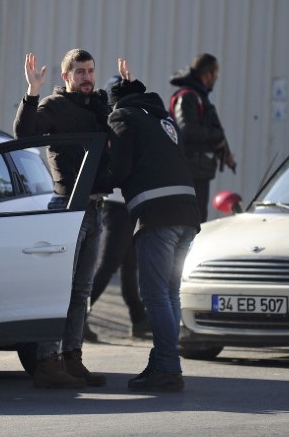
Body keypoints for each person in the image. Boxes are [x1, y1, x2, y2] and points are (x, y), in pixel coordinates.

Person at [13, 49, 113, 389]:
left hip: (98, 208)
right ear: (66, 76)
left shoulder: (100, 106)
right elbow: (24, 135)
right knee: (60, 285)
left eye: (90, 70)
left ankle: (73, 358)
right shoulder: (54, 107)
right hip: (67, 207)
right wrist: (32, 92)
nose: (87, 77)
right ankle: (47, 360)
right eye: (80, 72)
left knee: (82, 291)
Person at [107, 59, 201, 392]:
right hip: (188, 214)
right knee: (169, 293)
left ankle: (167, 367)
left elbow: (118, 168)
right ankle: (164, 360)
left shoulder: (122, 116)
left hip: (157, 215)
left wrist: (95, 180)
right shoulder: (162, 118)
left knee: (155, 295)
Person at [85, 75, 151, 343]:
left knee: (129, 263)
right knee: (109, 264)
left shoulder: (121, 121)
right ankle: (79, 316)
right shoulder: (116, 123)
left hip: (126, 204)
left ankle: (138, 319)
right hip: (116, 205)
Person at [169, 53, 236, 222]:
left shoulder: (199, 97)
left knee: (197, 219)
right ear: (207, 75)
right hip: (189, 171)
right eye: (215, 73)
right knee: (190, 221)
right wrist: (216, 136)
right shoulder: (188, 97)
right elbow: (187, 130)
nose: (216, 78)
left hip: (198, 171)